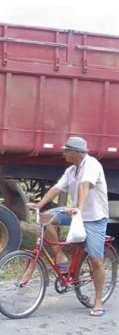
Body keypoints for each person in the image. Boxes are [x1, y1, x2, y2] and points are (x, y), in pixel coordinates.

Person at [28, 136, 109, 317]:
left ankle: (98, 302)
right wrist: (39, 205)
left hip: (94, 218)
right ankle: (60, 256)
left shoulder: (92, 165)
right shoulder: (71, 170)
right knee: (45, 218)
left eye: (66, 150)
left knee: (96, 261)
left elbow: (84, 186)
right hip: (75, 213)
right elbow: (57, 188)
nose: (63, 153)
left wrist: (78, 209)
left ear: (75, 152)